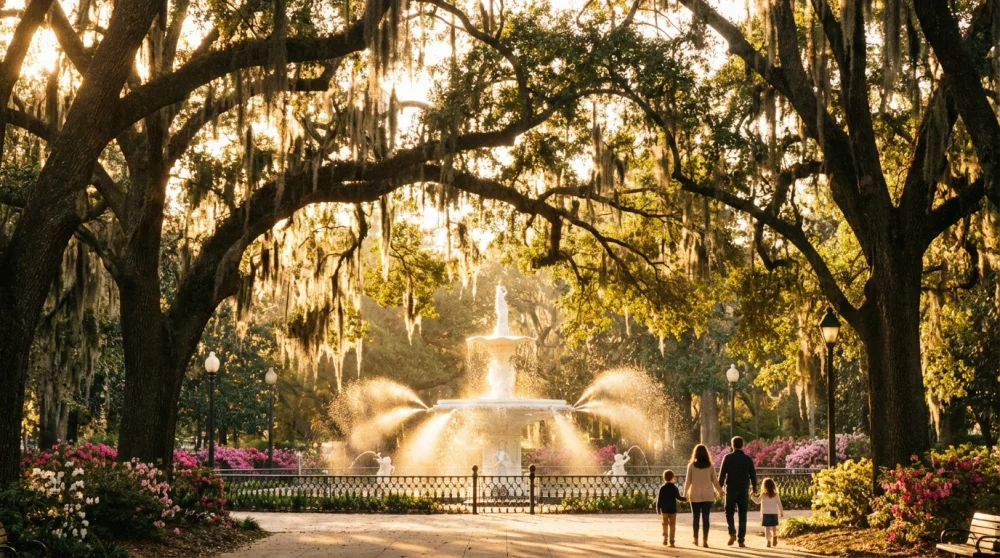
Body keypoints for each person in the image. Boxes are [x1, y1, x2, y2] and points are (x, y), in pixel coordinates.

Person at [718, 436, 758, 547]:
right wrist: (754, 489)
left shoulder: (727, 458)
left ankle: (732, 532)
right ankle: (741, 540)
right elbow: (753, 476)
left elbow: (722, 475)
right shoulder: (748, 459)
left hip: (731, 489)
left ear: (732, 445)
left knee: (729, 512)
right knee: (742, 515)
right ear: (742, 445)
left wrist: (719, 488)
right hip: (743, 490)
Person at [683, 444, 723, 548]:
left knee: (695, 518)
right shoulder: (710, 466)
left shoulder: (691, 466)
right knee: (706, 518)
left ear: (695, 453)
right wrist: (720, 491)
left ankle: (695, 539)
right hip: (708, 495)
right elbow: (715, 481)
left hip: (695, 494)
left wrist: (685, 493)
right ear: (706, 454)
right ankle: (705, 540)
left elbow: (688, 481)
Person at [656, 470, 687, 547]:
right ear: (673, 478)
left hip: (664, 510)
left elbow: (659, 499)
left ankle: (665, 539)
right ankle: (672, 540)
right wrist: (685, 499)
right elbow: (678, 497)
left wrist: (658, 508)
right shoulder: (674, 488)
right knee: (672, 525)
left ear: (664, 478)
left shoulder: (662, 488)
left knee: (665, 524)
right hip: (673, 510)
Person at [751, 478, 784, 547]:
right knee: (774, 527)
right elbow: (779, 504)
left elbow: (757, 501)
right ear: (773, 486)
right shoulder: (776, 495)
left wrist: (752, 496)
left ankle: (768, 541)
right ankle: (774, 536)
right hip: (774, 513)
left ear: (764, 486)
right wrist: (781, 511)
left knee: (767, 528)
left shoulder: (763, 494)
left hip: (766, 513)